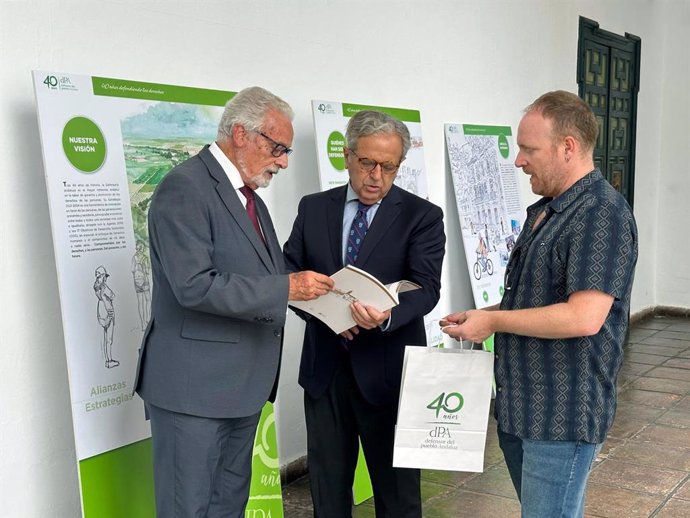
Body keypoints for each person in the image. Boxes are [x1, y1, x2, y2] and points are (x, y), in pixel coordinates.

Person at [133, 86, 333, 518]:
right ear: (241, 133)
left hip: (241, 390)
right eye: (278, 148)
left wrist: (328, 298)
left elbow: (263, 276)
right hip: (194, 392)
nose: (282, 161)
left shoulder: (250, 199)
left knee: (228, 507)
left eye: (287, 151)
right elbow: (193, 285)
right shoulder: (184, 187)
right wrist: (288, 288)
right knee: (187, 509)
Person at [441, 90, 638, 518]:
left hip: (560, 415)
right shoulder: (547, 209)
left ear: (568, 147)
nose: (518, 161)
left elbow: (584, 316)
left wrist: (493, 321)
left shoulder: (600, 212)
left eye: (529, 149)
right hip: (522, 407)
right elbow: (532, 297)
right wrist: (485, 315)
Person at [283, 110, 445, 518]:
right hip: (325, 372)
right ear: (346, 155)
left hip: (388, 375)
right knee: (328, 495)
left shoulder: (422, 216)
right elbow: (287, 273)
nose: (377, 176)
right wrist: (324, 313)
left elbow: (426, 288)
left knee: (398, 498)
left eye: (389, 167)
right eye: (367, 163)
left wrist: (385, 316)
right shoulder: (314, 208)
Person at [94, 265, 117, 368]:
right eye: (105, 276)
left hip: (101, 309)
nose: (106, 278)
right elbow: (112, 295)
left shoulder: (96, 286)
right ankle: (109, 361)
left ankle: (108, 360)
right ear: (102, 276)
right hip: (108, 310)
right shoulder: (103, 286)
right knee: (109, 338)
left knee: (105, 335)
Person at [131, 239, 151, 331]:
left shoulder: (133, 258)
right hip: (145, 281)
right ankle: (148, 320)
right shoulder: (145, 258)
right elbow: (147, 271)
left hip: (137, 282)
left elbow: (132, 270)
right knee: (148, 300)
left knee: (140, 302)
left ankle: (142, 323)